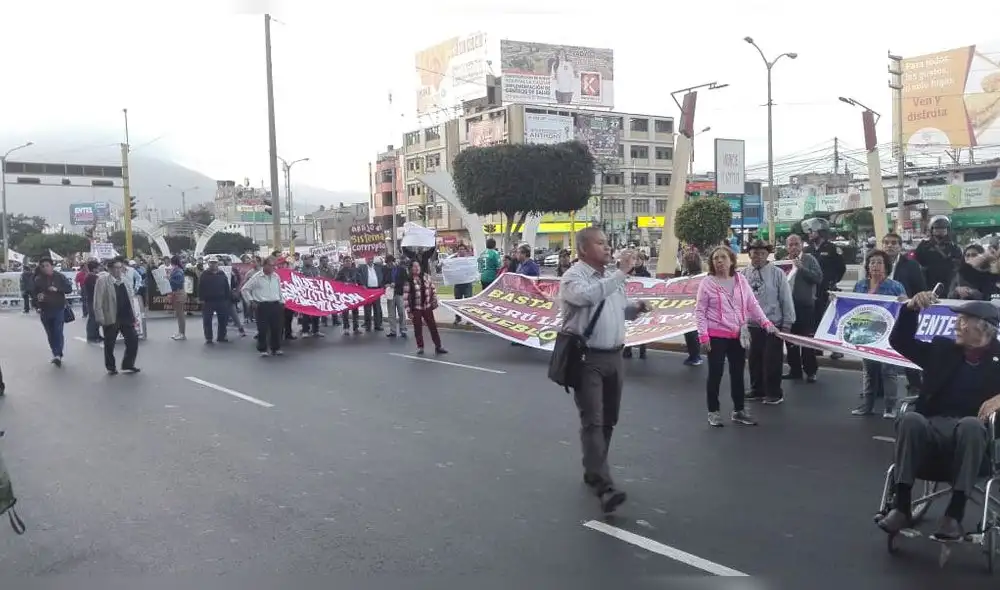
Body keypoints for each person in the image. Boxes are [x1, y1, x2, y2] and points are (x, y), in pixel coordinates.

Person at [878, 296, 1000, 541]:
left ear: (983, 327)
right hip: (932, 425)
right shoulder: (942, 348)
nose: (956, 324)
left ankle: (953, 516)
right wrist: (911, 309)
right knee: (911, 419)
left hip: (973, 435)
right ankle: (901, 508)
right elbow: (900, 341)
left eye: (963, 320)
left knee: (971, 426)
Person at [560, 228, 651, 513]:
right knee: (594, 420)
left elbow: (617, 307)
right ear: (584, 250)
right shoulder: (573, 277)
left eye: (607, 243)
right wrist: (621, 274)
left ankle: (594, 469)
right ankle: (605, 486)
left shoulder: (611, 279)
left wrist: (635, 308)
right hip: (587, 360)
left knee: (609, 418)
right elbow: (587, 298)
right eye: (600, 243)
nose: (608, 248)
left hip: (614, 358)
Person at [696, 246, 777, 427]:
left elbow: (752, 304)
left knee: (738, 373)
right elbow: (700, 311)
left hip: (738, 335)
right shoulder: (707, 283)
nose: (719, 261)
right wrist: (703, 336)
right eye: (715, 258)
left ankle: (739, 410)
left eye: (723, 257)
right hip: (716, 335)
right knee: (715, 374)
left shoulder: (740, 280)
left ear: (731, 260)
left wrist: (766, 323)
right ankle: (713, 411)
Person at [851, 250, 906, 418]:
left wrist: (904, 301)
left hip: (889, 335)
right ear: (867, 266)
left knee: (888, 371)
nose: (875, 265)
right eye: (872, 262)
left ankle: (890, 407)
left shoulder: (895, 286)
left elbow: (905, 308)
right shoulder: (860, 285)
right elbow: (851, 305)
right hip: (866, 334)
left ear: (886, 266)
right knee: (869, 371)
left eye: (879, 262)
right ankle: (867, 406)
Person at [741, 239, 795, 405]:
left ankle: (774, 393)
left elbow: (786, 298)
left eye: (762, 253)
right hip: (752, 325)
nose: (758, 256)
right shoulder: (743, 274)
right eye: (755, 253)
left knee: (772, 360)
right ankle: (757, 390)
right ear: (749, 254)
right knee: (754, 360)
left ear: (767, 255)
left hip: (772, 324)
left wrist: (787, 323)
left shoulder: (777, 273)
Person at [883, 232, 927, 395]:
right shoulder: (878, 263)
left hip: (906, 312)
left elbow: (920, 287)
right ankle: (880, 387)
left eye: (894, 243)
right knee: (882, 348)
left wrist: (911, 302)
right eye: (886, 242)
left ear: (900, 246)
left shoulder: (911, 265)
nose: (890, 246)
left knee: (906, 347)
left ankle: (915, 383)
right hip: (884, 313)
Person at [802, 218, 846, 358]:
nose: (809, 233)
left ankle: (836, 349)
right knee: (814, 319)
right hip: (812, 290)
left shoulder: (832, 249)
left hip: (827, 289)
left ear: (820, 231)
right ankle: (817, 347)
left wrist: (832, 281)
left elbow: (841, 268)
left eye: (811, 231)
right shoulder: (807, 250)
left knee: (831, 319)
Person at [783, 234, 823, 384]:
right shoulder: (784, 262)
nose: (793, 247)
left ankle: (811, 371)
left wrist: (802, 269)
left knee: (806, 340)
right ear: (787, 247)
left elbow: (818, 278)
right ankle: (795, 370)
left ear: (801, 245)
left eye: (796, 244)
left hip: (805, 306)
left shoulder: (809, 259)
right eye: (790, 244)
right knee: (790, 340)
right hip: (788, 307)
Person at [93, 257, 140, 375]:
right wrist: (100, 317)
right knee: (110, 343)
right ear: (110, 269)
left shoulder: (125, 280)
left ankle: (128, 364)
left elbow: (130, 298)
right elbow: (97, 301)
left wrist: (134, 315)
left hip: (126, 316)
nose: (119, 270)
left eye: (121, 268)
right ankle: (111, 366)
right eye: (116, 268)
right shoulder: (102, 281)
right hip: (111, 316)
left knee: (133, 340)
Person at [241, 257, 284, 356]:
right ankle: (263, 349)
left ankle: (276, 348)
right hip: (262, 305)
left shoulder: (276, 276)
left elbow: (279, 290)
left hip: (275, 304)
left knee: (276, 328)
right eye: (270, 265)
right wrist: (251, 301)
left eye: (273, 265)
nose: (272, 267)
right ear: (264, 265)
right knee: (263, 329)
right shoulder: (257, 277)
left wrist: (282, 301)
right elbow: (245, 289)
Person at [34, 257, 72, 367]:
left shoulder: (60, 277)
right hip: (45, 310)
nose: (45, 268)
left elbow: (68, 288)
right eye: (43, 266)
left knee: (58, 331)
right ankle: (55, 352)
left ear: (52, 266)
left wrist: (57, 289)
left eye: (47, 265)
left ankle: (58, 355)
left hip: (58, 308)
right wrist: (38, 301)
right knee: (50, 333)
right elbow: (34, 294)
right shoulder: (38, 279)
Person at [403, 259, 447, 355]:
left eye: (418, 266)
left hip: (427, 306)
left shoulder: (426, 277)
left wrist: (434, 299)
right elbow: (405, 297)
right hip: (416, 307)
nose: (417, 268)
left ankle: (438, 346)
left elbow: (433, 288)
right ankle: (420, 347)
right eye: (414, 266)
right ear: (411, 269)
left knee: (432, 326)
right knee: (417, 327)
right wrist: (408, 311)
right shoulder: (408, 280)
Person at [915, 215, 962, 291]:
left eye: (943, 228)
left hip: (948, 285)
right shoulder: (923, 246)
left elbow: (958, 267)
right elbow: (916, 264)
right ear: (931, 230)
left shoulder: (954, 248)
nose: (940, 230)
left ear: (947, 230)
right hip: (928, 284)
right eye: (937, 228)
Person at [677, 250, 705, 366]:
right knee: (690, 334)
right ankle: (693, 355)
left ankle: (695, 356)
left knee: (692, 334)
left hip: (694, 309)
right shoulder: (687, 276)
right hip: (688, 309)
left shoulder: (700, 277)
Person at [622, 253, 651, 359]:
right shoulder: (631, 272)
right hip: (631, 303)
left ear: (643, 261)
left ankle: (642, 352)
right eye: (636, 259)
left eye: (639, 259)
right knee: (629, 327)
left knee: (641, 328)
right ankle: (627, 350)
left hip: (641, 304)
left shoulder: (646, 274)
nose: (637, 261)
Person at [199, 257, 231, 344]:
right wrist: (201, 299)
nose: (213, 264)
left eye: (215, 263)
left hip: (221, 300)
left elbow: (226, 287)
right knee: (207, 319)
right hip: (208, 301)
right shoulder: (204, 274)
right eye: (211, 263)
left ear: (217, 264)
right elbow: (200, 287)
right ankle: (209, 337)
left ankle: (221, 336)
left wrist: (228, 298)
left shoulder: (222, 274)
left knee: (223, 320)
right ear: (209, 264)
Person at [355, 255, 386, 332]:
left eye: (371, 259)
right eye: (369, 259)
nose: (370, 260)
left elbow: (383, 275)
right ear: (366, 260)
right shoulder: (362, 268)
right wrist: (362, 285)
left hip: (376, 290)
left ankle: (377, 325)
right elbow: (357, 276)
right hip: (367, 290)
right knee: (367, 309)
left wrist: (382, 286)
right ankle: (368, 325)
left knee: (377, 308)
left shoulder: (378, 267)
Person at [451, 244, 475, 326]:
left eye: (463, 249)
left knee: (468, 302)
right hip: (458, 284)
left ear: (465, 250)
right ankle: (458, 318)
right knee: (457, 302)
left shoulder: (469, 260)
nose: (461, 251)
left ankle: (469, 319)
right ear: (457, 251)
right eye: (460, 249)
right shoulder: (454, 260)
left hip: (467, 284)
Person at [385, 255, 408, 338]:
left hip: (398, 292)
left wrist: (396, 284)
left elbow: (405, 280)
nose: (389, 265)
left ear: (393, 262)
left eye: (390, 263)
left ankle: (403, 329)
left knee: (401, 312)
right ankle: (393, 331)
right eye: (388, 264)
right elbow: (384, 280)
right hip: (390, 294)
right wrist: (386, 284)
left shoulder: (401, 269)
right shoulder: (387, 270)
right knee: (391, 313)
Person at [336, 258, 361, 334]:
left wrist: (359, 285)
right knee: (345, 312)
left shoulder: (355, 270)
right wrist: (343, 284)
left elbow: (359, 280)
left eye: (349, 261)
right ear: (343, 262)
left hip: (354, 294)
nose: (348, 263)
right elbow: (336, 281)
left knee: (355, 312)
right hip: (345, 295)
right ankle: (346, 328)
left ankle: (356, 327)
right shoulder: (341, 271)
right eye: (346, 261)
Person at [168, 255, 188, 341]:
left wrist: (170, 279)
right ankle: (180, 332)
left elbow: (179, 282)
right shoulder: (176, 270)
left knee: (180, 314)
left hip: (179, 292)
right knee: (179, 314)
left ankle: (182, 333)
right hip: (176, 292)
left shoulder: (178, 271)